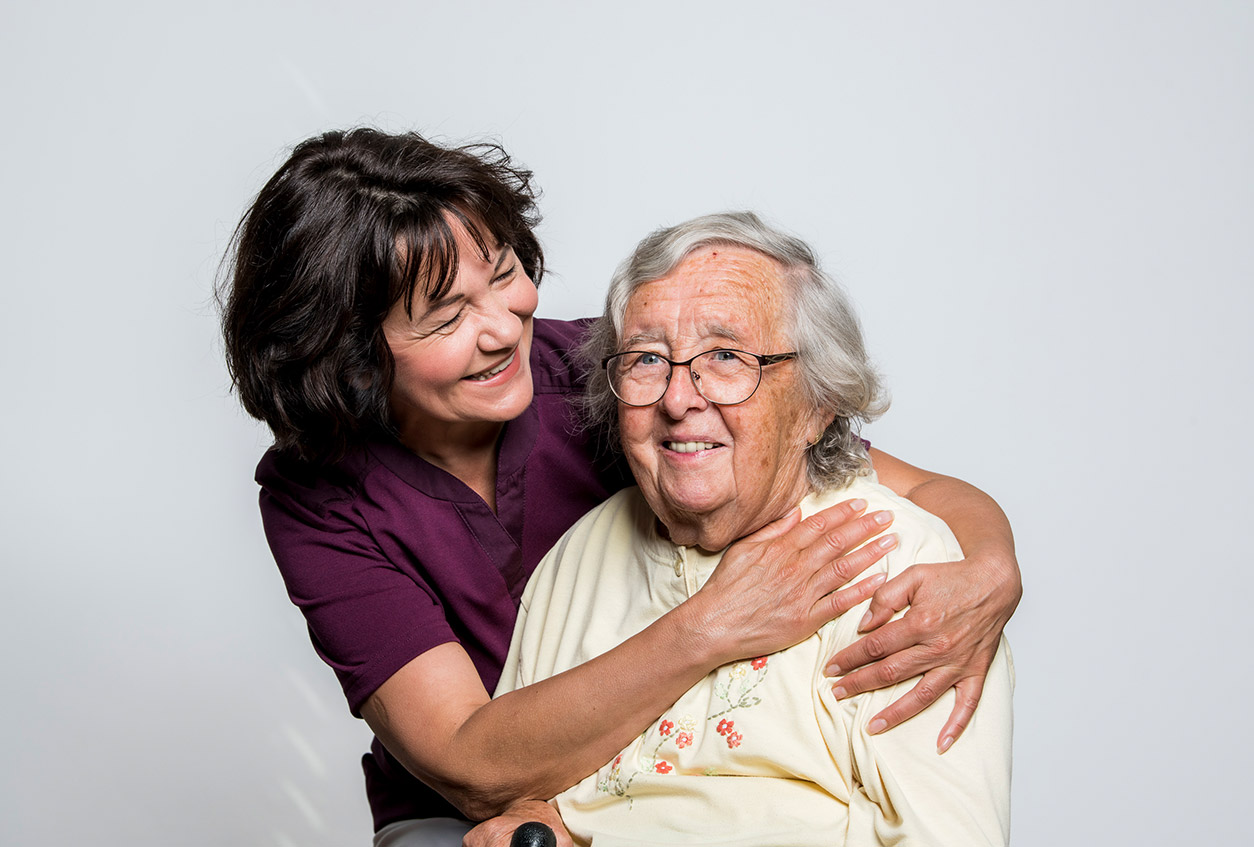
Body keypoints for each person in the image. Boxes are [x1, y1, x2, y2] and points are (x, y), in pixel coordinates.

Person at [218, 128, 1021, 846]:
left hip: (622, 783)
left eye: (504, 275)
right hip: (471, 809)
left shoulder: (617, 374)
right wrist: (713, 622)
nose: (501, 326)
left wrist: (990, 565)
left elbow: (888, 480)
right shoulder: (319, 496)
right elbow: (469, 761)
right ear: (352, 353)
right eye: (445, 316)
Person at [489, 212, 1013, 847]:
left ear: (818, 405)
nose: (679, 399)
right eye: (648, 359)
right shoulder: (580, 555)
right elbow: (514, 797)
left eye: (727, 357)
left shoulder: (904, 569)